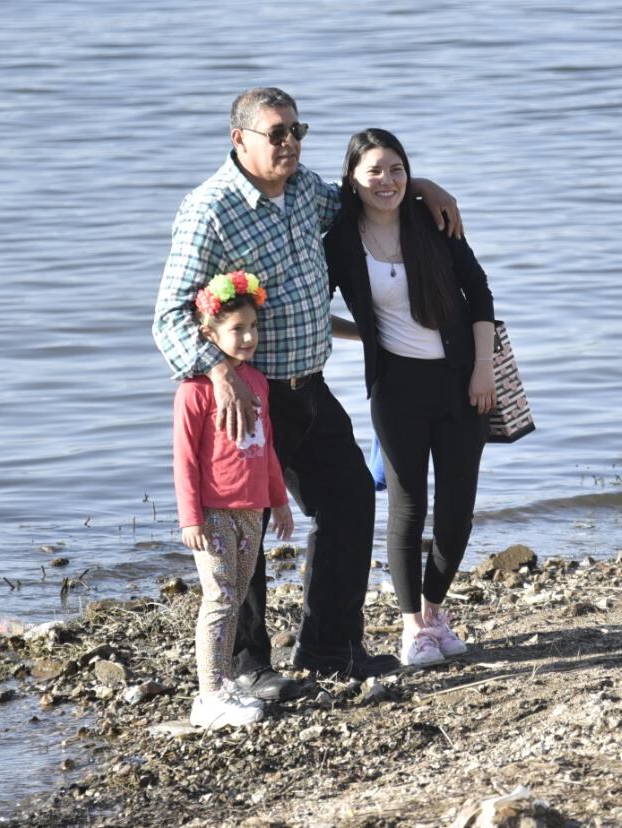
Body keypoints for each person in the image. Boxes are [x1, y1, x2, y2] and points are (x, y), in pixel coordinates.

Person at [154, 87, 464, 700]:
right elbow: (168, 316)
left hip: (310, 386)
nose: (291, 142)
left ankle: (330, 646)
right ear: (240, 139)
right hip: (248, 396)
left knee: (351, 500)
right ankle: (247, 665)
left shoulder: (305, 191)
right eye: (277, 133)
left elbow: (364, 194)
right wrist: (216, 370)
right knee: (246, 527)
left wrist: (425, 185)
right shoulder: (209, 209)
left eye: (298, 129)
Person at [325, 129, 495, 667]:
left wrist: (483, 370)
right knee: (407, 508)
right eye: (374, 170)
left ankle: (434, 610)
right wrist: (368, 335)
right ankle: (410, 628)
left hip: (462, 380)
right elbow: (313, 306)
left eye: (397, 169)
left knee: (457, 512)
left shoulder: (432, 220)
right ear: (352, 177)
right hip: (395, 388)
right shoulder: (340, 240)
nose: (387, 180)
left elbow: (479, 292)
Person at [172, 272, 294, 729]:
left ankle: (222, 684)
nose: (247, 338)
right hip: (213, 512)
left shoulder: (257, 383)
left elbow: (268, 450)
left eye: (252, 328)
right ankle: (207, 697)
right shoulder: (195, 390)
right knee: (219, 598)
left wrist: (278, 501)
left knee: (237, 595)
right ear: (210, 334)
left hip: (252, 510)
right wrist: (191, 517)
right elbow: (184, 460)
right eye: (236, 329)